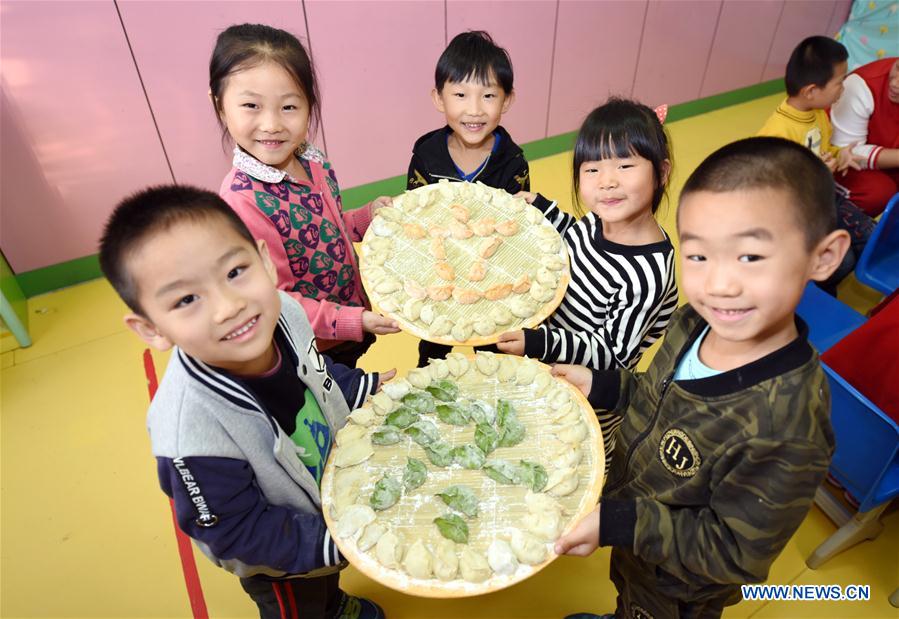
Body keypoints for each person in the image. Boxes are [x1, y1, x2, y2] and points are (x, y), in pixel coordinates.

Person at [553, 137, 849, 619]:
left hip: (678, 589)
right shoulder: (696, 321)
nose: (719, 284)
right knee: (626, 598)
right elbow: (658, 395)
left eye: (750, 257)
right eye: (698, 256)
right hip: (637, 540)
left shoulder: (788, 424)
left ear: (823, 256)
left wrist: (625, 521)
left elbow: (735, 552)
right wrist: (599, 383)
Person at [98, 185, 392, 619]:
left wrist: (359, 388)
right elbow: (236, 532)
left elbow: (315, 371)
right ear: (151, 330)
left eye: (235, 272)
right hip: (282, 563)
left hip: (328, 495)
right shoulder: (190, 434)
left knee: (328, 581)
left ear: (264, 261)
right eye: (186, 299)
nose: (229, 306)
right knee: (305, 604)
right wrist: (338, 541)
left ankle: (334, 600)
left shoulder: (286, 312)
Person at [497, 98, 678, 463]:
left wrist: (538, 341)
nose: (607, 183)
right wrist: (544, 208)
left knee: (573, 455)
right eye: (592, 170)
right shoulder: (599, 220)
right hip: (548, 362)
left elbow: (612, 353)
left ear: (661, 172)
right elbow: (574, 239)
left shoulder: (649, 272)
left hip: (587, 393)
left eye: (625, 166)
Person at [211, 23, 399, 368]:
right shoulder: (243, 202)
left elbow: (323, 229)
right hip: (312, 348)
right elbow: (279, 300)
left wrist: (363, 218)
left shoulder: (312, 161)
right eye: (251, 105)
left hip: (347, 323)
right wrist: (353, 321)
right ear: (220, 106)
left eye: (288, 107)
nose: (271, 124)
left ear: (310, 106)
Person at [407, 30, 530, 367]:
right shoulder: (426, 155)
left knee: (493, 351)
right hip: (440, 270)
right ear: (439, 98)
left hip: (490, 275)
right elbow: (415, 215)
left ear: (506, 100)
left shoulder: (513, 162)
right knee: (434, 349)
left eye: (488, 96)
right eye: (460, 94)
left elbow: (517, 229)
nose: (474, 110)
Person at [758, 35, 874, 294]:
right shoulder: (777, 135)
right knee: (843, 263)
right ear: (811, 91)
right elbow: (772, 190)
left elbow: (824, 149)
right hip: (797, 213)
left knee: (871, 236)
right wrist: (817, 171)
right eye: (840, 82)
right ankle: (808, 291)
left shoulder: (818, 116)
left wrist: (840, 154)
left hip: (823, 197)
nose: (843, 89)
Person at [830, 56, 899, 217]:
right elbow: (846, 153)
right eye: (897, 67)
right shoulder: (862, 85)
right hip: (842, 161)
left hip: (885, 158)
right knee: (878, 192)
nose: (895, 84)